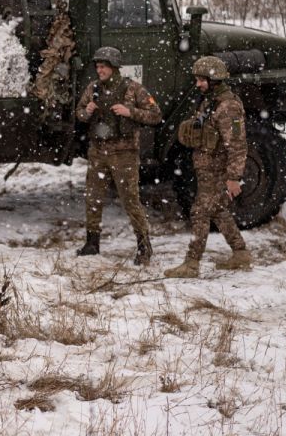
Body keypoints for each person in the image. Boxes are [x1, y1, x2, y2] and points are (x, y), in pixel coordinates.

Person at [165, 56, 252, 279]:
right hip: (206, 168)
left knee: (200, 211)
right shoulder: (210, 101)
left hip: (218, 171)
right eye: (197, 80)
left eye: (201, 80)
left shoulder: (229, 107)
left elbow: (237, 145)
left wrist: (233, 177)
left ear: (215, 80)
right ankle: (240, 254)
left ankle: (192, 264)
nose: (198, 84)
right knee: (218, 210)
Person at [75, 46, 162, 265]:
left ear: (113, 67)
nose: (99, 69)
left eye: (103, 66)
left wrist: (129, 111)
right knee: (93, 198)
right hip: (98, 152)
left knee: (130, 200)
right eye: (97, 66)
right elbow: (80, 113)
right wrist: (88, 111)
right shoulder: (92, 88)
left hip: (124, 153)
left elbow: (156, 115)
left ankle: (144, 246)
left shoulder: (133, 89)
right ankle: (92, 242)